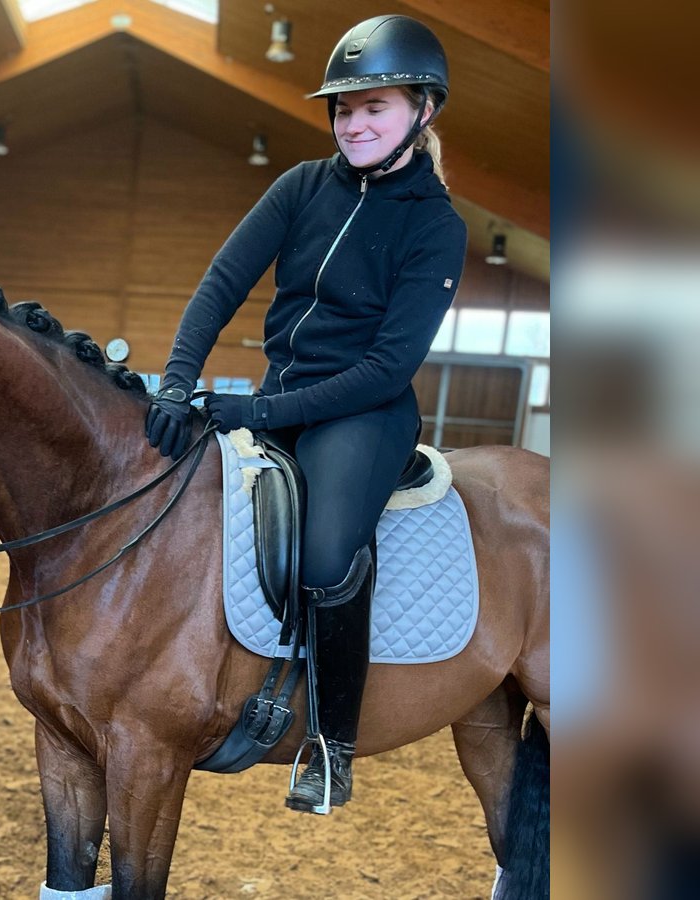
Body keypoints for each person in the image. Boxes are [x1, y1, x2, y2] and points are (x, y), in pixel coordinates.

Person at [144, 15, 467, 813]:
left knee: (325, 557)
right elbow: (220, 285)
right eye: (342, 110)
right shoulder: (300, 186)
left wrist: (260, 407)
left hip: (364, 413)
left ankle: (330, 742)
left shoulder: (437, 226)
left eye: (374, 108)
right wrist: (178, 383)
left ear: (423, 110)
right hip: (278, 392)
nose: (352, 124)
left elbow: (387, 367)